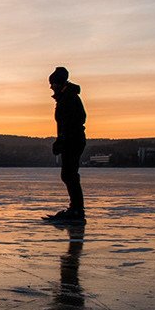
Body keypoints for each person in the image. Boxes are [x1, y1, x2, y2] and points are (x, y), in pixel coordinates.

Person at [49, 66, 86, 221]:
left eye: (52, 83)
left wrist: (62, 140)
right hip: (71, 140)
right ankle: (76, 208)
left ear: (59, 83)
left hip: (73, 141)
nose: (50, 87)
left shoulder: (68, 98)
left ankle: (77, 210)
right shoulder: (66, 97)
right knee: (69, 174)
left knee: (69, 174)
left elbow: (70, 122)